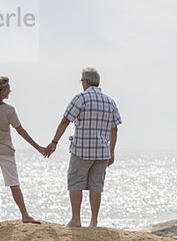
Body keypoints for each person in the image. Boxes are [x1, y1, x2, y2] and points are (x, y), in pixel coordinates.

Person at [45, 67, 122, 227]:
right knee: (96, 185)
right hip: (102, 151)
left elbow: (65, 120)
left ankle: (76, 219)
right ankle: (93, 222)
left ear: (85, 82)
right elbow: (115, 128)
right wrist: (112, 151)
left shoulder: (81, 98)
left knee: (75, 182)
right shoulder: (110, 101)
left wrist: (54, 142)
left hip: (81, 149)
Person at [0, 76, 46, 227]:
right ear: (1, 92)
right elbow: (21, 132)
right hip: (5, 151)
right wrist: (38, 147)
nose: (10, 91)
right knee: (14, 184)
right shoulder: (9, 110)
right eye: (8, 89)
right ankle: (25, 215)